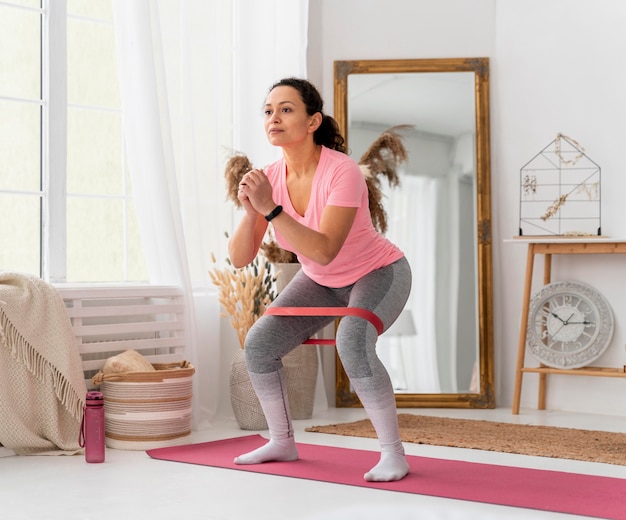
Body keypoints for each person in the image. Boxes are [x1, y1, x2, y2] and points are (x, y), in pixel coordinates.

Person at [229, 77, 412, 482]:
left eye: (286, 109)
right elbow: (240, 258)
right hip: (322, 280)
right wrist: (251, 212)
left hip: (378, 272)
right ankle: (282, 441)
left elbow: (325, 248)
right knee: (258, 345)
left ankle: (393, 454)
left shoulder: (342, 171)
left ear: (313, 122)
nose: (274, 117)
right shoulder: (269, 178)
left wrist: (271, 210)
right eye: (268, 110)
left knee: (352, 342)